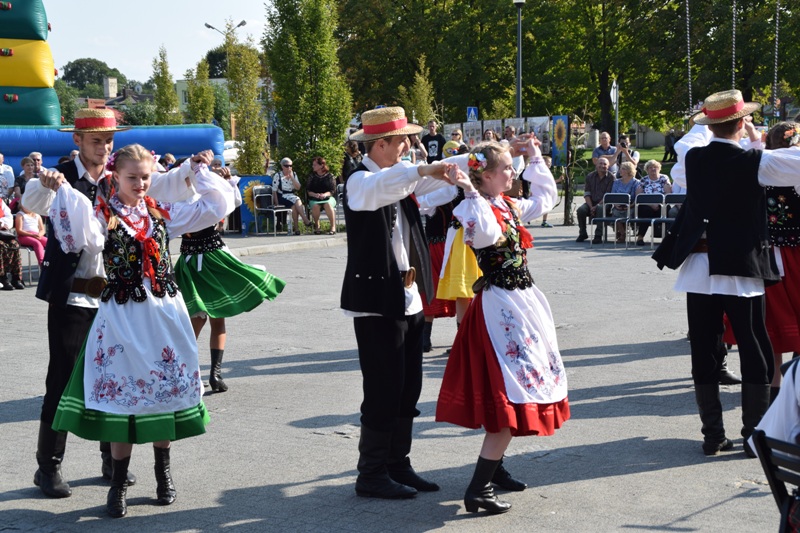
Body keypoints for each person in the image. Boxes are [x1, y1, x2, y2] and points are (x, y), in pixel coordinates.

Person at [47, 144, 233, 518]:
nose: (140, 184)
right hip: (123, 318)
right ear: (115, 176)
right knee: (124, 400)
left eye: (146, 177)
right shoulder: (103, 216)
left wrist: (197, 171)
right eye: (132, 177)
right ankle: (117, 485)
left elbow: (216, 204)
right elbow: (78, 236)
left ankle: (163, 474)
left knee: (163, 392)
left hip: (164, 316)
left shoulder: (162, 213)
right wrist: (61, 190)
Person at [23, 108, 196, 499]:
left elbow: (164, 188)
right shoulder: (62, 176)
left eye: (108, 140)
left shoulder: (121, 176)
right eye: (95, 141)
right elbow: (32, 202)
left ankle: (111, 461)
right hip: (75, 295)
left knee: (118, 375)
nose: (103, 148)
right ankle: (48, 466)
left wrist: (192, 170)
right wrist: (46, 183)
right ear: (77, 141)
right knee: (63, 377)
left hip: (120, 298)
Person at [653, 89, 800, 458]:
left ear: (710, 125)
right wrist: (757, 140)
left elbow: (688, 148)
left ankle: (712, 435)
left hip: (699, 269)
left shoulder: (692, 159)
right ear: (740, 123)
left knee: (705, 348)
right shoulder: (757, 161)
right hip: (740, 268)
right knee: (755, 348)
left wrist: (707, 127)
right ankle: (754, 436)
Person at [436, 137, 569, 515]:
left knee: (516, 388)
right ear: (487, 175)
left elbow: (545, 199)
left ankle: (495, 469)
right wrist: (468, 189)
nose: (513, 173)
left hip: (521, 303)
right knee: (510, 391)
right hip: (500, 310)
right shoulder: (472, 208)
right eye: (507, 168)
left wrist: (536, 156)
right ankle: (478, 488)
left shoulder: (506, 204)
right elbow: (486, 235)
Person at [342, 106, 452, 500]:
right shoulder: (360, 181)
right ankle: (371, 473)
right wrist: (421, 169)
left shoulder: (398, 176)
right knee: (383, 388)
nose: (409, 146)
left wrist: (481, 161)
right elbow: (390, 184)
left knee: (408, 388)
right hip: (376, 302)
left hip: (407, 296)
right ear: (381, 144)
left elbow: (438, 184)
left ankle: (397, 463)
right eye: (403, 140)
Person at [175, 159, 286, 394]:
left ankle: (201, 374)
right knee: (206, 319)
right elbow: (228, 206)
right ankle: (204, 374)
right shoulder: (196, 197)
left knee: (204, 318)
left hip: (199, 258)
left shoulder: (180, 199)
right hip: (206, 259)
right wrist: (223, 183)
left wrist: (223, 182)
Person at [634, 159, 672, 245]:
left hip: (661, 204)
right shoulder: (643, 180)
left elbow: (668, 194)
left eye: (655, 167)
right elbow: (638, 196)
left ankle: (667, 237)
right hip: (646, 204)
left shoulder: (664, 178)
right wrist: (651, 204)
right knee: (646, 211)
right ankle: (640, 237)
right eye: (650, 167)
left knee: (667, 210)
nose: (653, 169)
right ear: (647, 170)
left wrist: (658, 204)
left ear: (659, 169)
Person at [576, 158, 614, 244]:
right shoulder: (590, 176)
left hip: (605, 203)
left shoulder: (611, 177)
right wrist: (591, 207)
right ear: (596, 165)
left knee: (600, 208)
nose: (602, 166)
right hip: (591, 203)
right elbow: (587, 193)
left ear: (608, 166)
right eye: (600, 163)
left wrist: (596, 206)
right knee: (581, 210)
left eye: (605, 164)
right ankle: (583, 233)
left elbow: (608, 195)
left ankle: (598, 235)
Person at [271, 157, 312, 234]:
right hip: (282, 196)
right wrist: (277, 203)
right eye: (286, 166)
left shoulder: (294, 174)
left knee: (294, 206)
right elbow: (274, 191)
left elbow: (298, 187)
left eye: (290, 166)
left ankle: (296, 228)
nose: (289, 167)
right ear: (282, 166)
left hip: (291, 196)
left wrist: (292, 178)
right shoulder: (278, 175)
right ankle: (305, 219)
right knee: (297, 199)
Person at [610, 161, 640, 243]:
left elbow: (637, 197)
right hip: (618, 205)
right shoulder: (616, 182)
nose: (620, 171)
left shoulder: (636, 182)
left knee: (629, 213)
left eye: (622, 169)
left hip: (631, 205)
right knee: (616, 212)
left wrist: (631, 205)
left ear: (629, 170)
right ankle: (623, 233)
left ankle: (621, 234)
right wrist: (616, 204)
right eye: (620, 169)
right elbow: (612, 195)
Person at [307, 156, 338, 235]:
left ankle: (333, 227)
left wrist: (325, 194)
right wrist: (315, 195)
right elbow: (308, 191)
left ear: (321, 166)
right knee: (315, 206)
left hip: (328, 197)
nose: (313, 166)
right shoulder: (312, 176)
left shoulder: (330, 176)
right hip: (315, 198)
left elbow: (332, 190)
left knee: (328, 204)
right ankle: (317, 226)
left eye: (315, 165)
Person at [0, 198, 23, 290]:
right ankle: (3, 277)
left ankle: (16, 277)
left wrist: (2, 223)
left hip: (3, 232)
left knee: (14, 245)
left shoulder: (0, 201)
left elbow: (9, 216)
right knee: (1, 245)